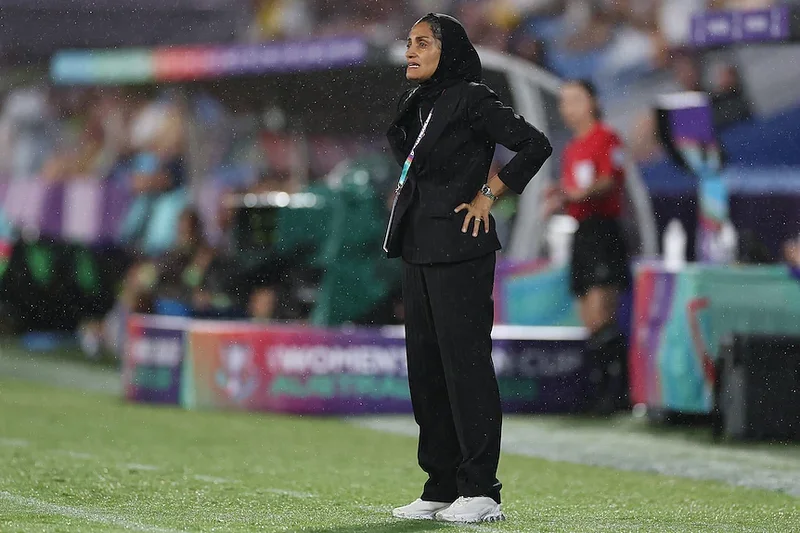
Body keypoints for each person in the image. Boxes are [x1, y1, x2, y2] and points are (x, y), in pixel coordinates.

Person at [384, 13, 552, 523]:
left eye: (422, 43)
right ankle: (440, 484)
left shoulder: (472, 98)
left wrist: (488, 195)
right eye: (409, 42)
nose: (410, 51)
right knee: (427, 373)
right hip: (418, 246)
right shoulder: (418, 100)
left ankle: (481, 489)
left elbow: (535, 144)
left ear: (448, 51)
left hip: (460, 249)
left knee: (466, 370)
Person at [544, 79, 630, 415]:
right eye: (564, 101)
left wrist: (577, 194)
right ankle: (601, 390)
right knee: (588, 317)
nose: (568, 108)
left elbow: (611, 180)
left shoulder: (608, 138)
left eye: (575, 99)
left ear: (592, 102)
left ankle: (617, 392)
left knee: (601, 314)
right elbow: (573, 191)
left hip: (603, 231)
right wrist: (560, 198)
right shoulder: (571, 148)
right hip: (581, 233)